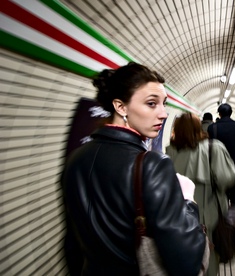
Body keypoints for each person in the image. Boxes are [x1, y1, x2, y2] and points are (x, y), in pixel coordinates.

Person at [61, 62, 207, 275]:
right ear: (121, 107)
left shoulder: (75, 159)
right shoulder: (153, 164)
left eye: (163, 104)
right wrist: (188, 202)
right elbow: (187, 262)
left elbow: (72, 245)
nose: (164, 113)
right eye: (151, 104)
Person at [166, 112, 235, 275]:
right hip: (209, 216)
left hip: (177, 218)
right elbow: (227, 180)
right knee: (209, 259)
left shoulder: (168, 152)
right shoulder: (214, 148)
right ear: (199, 128)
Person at [208, 103, 235, 208]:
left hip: (217, 167)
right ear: (231, 113)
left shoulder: (212, 128)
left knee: (220, 196)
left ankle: (222, 221)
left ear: (219, 114)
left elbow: (208, 149)